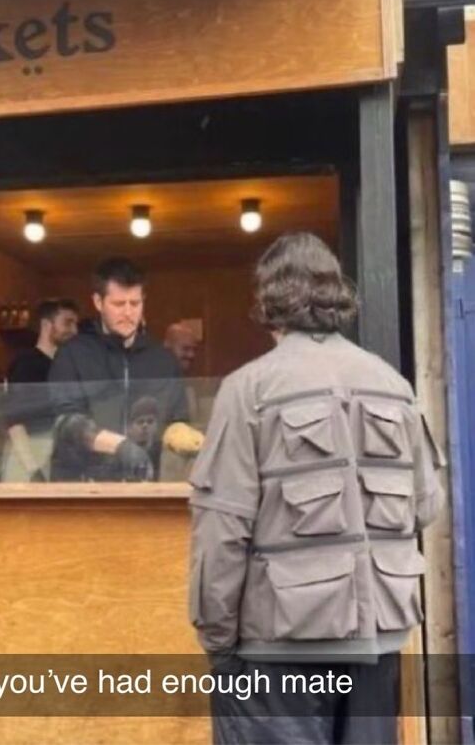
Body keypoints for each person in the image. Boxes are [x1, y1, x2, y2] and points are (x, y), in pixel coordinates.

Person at [188, 232, 445, 745]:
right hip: (376, 645)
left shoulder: (249, 389)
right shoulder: (393, 385)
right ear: (334, 293)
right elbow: (425, 506)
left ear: (267, 301)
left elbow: (223, 530)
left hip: (277, 651)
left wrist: (219, 645)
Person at [49, 257, 205, 481]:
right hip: (83, 489)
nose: (128, 312)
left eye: (135, 303)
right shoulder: (72, 354)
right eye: (119, 304)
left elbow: (175, 421)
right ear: (98, 302)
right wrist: (120, 446)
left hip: (141, 485)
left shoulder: (163, 360)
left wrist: (197, 443)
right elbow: (67, 424)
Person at [3, 298, 78, 481]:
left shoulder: (66, 367)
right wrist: (33, 470)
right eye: (67, 323)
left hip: (54, 462)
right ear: (46, 324)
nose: (74, 331)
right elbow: (15, 422)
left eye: (76, 324)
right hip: (29, 460)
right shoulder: (26, 364)